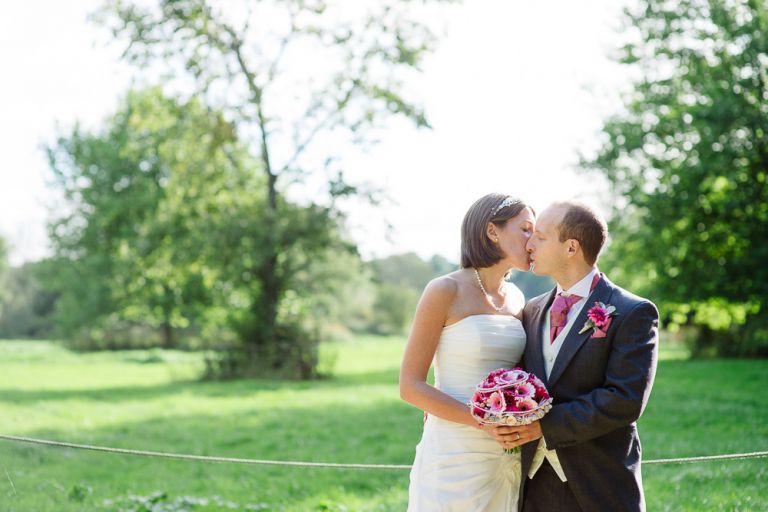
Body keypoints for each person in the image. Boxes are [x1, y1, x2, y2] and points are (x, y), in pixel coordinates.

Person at [490, 201, 659, 512]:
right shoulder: (532, 310)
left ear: (571, 248)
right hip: (533, 483)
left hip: (598, 483)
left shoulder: (632, 312)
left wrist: (544, 426)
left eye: (540, 237)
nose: (529, 244)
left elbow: (625, 399)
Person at [400, 193, 534, 511]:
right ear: (492, 231)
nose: (533, 241)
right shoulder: (445, 290)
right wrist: (485, 422)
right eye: (526, 229)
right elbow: (410, 386)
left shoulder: (517, 298)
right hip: (453, 450)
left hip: (506, 452)